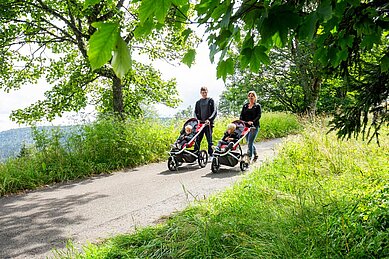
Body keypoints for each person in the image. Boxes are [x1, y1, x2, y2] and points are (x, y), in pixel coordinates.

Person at [194, 86, 217, 157]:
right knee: (198, 140)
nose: (204, 94)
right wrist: (197, 120)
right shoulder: (198, 102)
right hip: (200, 124)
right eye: (203, 92)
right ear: (200, 93)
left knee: (209, 140)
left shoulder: (211, 101)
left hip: (208, 124)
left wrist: (209, 119)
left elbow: (214, 111)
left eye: (205, 92)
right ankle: (196, 154)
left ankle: (211, 154)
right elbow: (195, 112)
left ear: (207, 92)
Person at [240, 90, 262, 162]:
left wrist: (252, 122)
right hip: (246, 127)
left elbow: (259, 116)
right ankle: (256, 154)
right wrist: (242, 121)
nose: (250, 97)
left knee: (250, 142)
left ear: (255, 97)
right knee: (249, 142)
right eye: (249, 96)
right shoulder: (245, 106)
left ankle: (249, 157)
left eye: (252, 96)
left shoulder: (257, 106)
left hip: (254, 127)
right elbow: (241, 115)